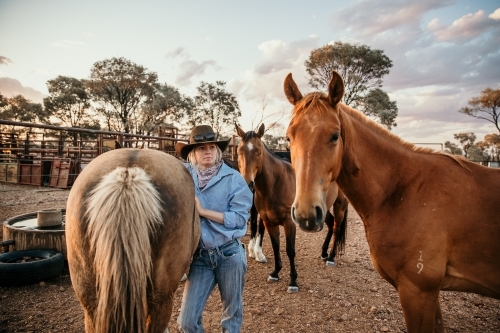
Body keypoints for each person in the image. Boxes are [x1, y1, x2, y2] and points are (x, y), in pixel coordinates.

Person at [174, 125, 253, 333]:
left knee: (231, 315)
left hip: (229, 254)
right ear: (193, 153)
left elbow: (239, 219)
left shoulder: (233, 178)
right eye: (201, 148)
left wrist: (203, 211)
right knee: (186, 322)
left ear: (217, 151)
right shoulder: (183, 175)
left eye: (211, 147)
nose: (207, 151)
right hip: (201, 257)